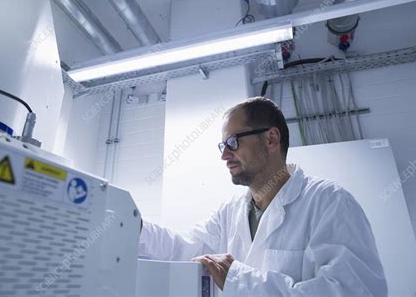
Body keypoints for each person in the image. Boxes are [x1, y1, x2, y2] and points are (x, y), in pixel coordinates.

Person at [139, 97, 388, 296]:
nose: (224, 155)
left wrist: (239, 280)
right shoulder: (230, 212)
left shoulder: (330, 203)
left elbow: (354, 291)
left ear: (271, 139)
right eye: (222, 145)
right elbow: (182, 249)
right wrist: (132, 225)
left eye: (233, 142)